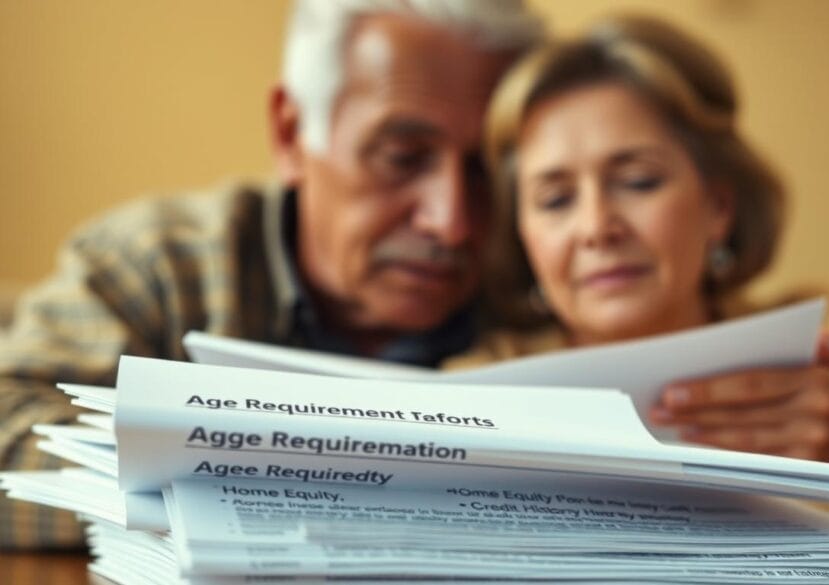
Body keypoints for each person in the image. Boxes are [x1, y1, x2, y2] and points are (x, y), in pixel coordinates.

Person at [446, 15, 829, 562]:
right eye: (556, 200)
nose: (597, 227)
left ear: (718, 206)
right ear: (522, 236)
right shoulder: (476, 389)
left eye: (638, 181)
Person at [0, 0, 543, 549]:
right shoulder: (158, 265)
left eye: (486, 168)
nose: (451, 222)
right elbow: (8, 434)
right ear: (290, 132)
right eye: (402, 156)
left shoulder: (540, 291)